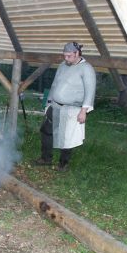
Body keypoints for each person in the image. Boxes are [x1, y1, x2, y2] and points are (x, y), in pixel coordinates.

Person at [36, 42, 96, 171]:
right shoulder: (63, 65)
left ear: (77, 53)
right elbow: (55, 84)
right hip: (55, 106)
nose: (66, 58)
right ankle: (46, 158)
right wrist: (48, 102)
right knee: (46, 131)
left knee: (67, 137)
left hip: (72, 109)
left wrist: (83, 111)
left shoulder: (86, 68)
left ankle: (63, 164)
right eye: (65, 56)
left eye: (69, 56)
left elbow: (90, 91)